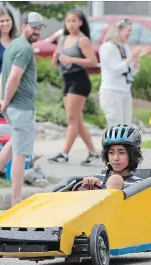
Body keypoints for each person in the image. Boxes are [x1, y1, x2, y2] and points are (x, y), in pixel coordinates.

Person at [0, 12, 45, 206]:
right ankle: (16, 200)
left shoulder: (14, 45)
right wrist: (5, 101)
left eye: (39, 28)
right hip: (21, 108)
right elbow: (13, 78)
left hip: (15, 108)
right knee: (20, 154)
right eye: (33, 27)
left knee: (13, 144)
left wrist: (3, 101)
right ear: (24, 25)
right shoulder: (24, 49)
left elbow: (5, 75)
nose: (36, 31)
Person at [48, 10, 99, 166]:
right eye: (68, 21)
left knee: (71, 119)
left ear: (80, 23)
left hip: (79, 80)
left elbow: (93, 61)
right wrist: (55, 57)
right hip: (67, 80)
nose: (70, 24)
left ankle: (64, 153)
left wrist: (72, 59)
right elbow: (53, 64)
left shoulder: (82, 40)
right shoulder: (62, 39)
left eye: (74, 21)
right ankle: (92, 152)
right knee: (76, 119)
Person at [98, 18, 148, 127]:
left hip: (125, 91)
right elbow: (114, 70)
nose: (130, 33)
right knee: (115, 127)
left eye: (131, 30)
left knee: (126, 127)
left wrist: (136, 59)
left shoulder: (125, 47)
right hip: (112, 92)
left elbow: (131, 72)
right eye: (128, 30)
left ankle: (123, 144)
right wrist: (131, 57)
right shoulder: (107, 47)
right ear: (118, 31)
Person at [79, 124, 143, 190]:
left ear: (132, 155)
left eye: (121, 153)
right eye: (111, 153)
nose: (115, 158)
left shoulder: (140, 184)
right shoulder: (97, 180)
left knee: (115, 180)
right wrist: (88, 186)